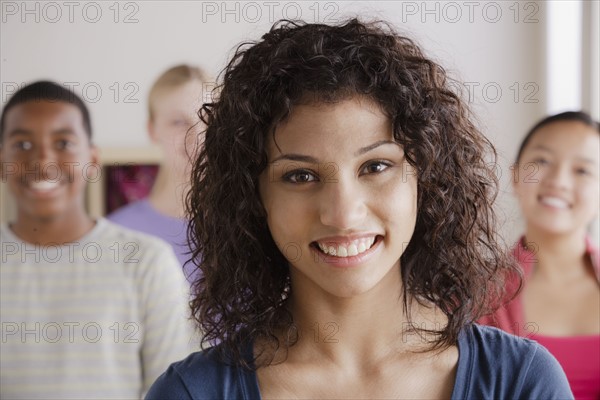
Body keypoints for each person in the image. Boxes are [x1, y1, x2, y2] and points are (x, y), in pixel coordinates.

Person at [146, 19, 573, 399]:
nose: (343, 214)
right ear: (253, 199)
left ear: (426, 180)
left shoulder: (520, 381)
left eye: (376, 166)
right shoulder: (191, 392)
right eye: (300, 176)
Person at [0, 81, 194, 399]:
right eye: (22, 145)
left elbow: (171, 388)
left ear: (91, 160)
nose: (43, 161)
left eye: (63, 143)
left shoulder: (146, 262)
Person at [480, 111, 599, 399]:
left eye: (582, 170)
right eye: (542, 161)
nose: (558, 181)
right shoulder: (475, 292)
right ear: (516, 175)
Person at [108, 65, 208, 283]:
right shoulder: (117, 234)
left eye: (208, 117)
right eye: (178, 122)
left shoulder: (248, 226)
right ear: (153, 131)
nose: (197, 135)